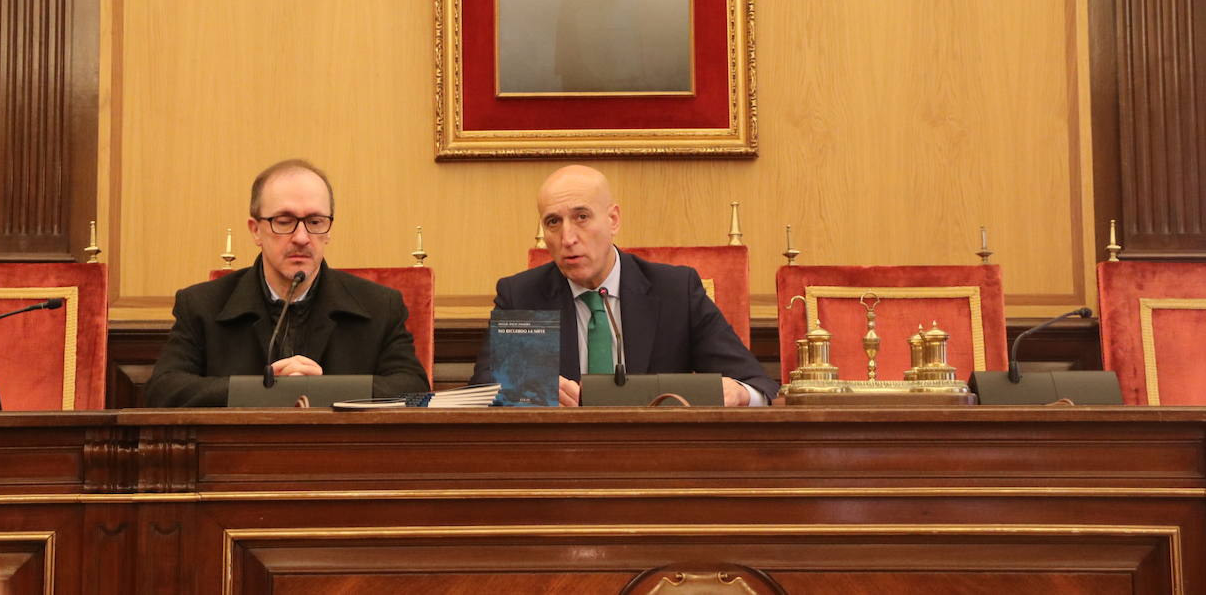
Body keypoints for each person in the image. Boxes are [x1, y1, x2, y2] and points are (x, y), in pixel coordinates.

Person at [471, 165, 778, 406]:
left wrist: (738, 393)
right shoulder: (523, 296)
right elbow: (484, 391)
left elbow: (757, 384)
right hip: (558, 463)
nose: (567, 238)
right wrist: (528, 391)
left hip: (657, 462)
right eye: (553, 222)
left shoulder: (675, 291)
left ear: (613, 220)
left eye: (581, 217)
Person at [145, 159, 428, 407]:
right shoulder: (202, 305)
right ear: (256, 230)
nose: (302, 237)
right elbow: (163, 391)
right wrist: (264, 392)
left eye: (315, 222)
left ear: (328, 230)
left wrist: (323, 391)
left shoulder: (379, 306)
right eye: (284, 221)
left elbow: (415, 390)